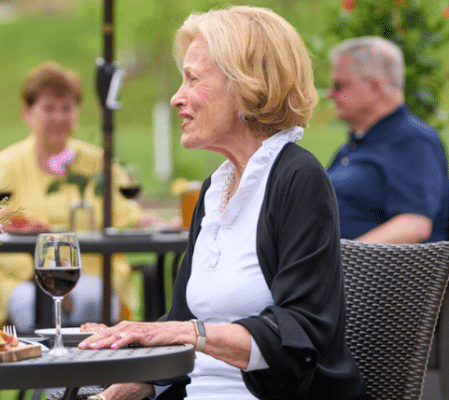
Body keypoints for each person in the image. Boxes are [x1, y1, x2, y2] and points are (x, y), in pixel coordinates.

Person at [78, 6, 368, 400]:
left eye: (193, 79)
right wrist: (121, 390)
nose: (177, 98)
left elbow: (301, 333)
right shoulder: (216, 187)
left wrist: (185, 333)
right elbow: (181, 319)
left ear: (246, 85)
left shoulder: (298, 179)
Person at [0, 61, 164, 332]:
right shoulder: (5, 164)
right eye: (49, 108)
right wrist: (44, 278)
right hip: (22, 278)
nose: (58, 117)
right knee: (32, 303)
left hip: (93, 274)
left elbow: (125, 216)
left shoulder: (97, 162)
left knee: (92, 298)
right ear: (26, 112)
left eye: (66, 108)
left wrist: (148, 222)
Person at [326, 36, 449, 243]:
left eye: (339, 85)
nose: (330, 94)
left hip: (373, 273)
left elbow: (415, 224)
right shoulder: (357, 143)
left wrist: (339, 260)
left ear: (375, 87)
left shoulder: (413, 141)